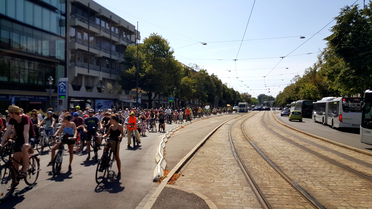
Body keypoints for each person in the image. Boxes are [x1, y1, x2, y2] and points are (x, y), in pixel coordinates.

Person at [0, 105, 35, 182]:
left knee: (24, 148)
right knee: (15, 160)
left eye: (9, 113)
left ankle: (25, 170)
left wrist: (26, 143)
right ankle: (15, 181)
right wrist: (1, 144)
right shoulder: (12, 119)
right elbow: (7, 131)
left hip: (29, 137)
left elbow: (26, 131)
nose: (8, 114)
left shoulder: (25, 118)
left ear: (13, 113)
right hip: (19, 138)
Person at [103, 114, 124, 178]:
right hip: (110, 140)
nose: (110, 120)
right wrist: (102, 136)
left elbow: (123, 134)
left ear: (114, 120)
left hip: (116, 141)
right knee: (105, 151)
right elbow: (107, 134)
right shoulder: (110, 126)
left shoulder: (120, 126)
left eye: (111, 119)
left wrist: (121, 136)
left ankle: (119, 171)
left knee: (116, 156)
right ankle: (103, 164)